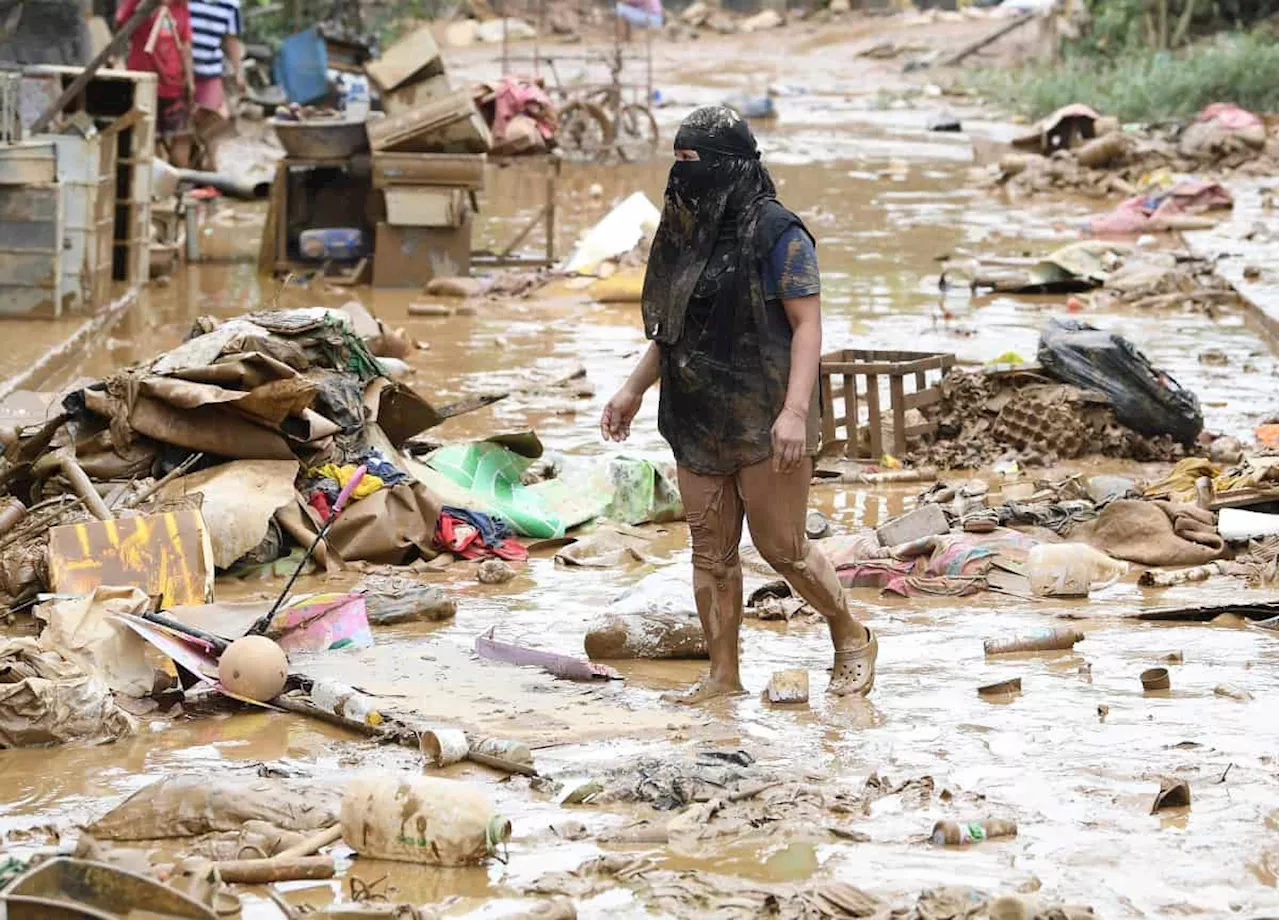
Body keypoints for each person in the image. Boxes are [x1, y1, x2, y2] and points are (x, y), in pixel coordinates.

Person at [600, 105, 877, 703]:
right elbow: (672, 332)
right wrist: (632, 388)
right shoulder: (683, 234)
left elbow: (807, 327)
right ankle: (724, 676)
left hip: (767, 412)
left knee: (784, 549)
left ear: (729, 165)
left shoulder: (781, 233)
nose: (683, 175)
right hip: (696, 413)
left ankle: (850, 634)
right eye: (676, 161)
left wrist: (796, 412)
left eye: (693, 162)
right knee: (712, 555)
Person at [117, 0, 194, 167]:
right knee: (145, 135)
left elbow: (186, 43)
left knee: (181, 135)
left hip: (174, 83)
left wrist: (190, 79)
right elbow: (121, 24)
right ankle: (149, 182)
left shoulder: (180, 5)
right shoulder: (137, 2)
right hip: (143, 81)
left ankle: (179, 181)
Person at [188, 0, 243, 118]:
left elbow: (232, 39)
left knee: (211, 120)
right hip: (179, 69)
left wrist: (238, 72)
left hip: (209, 69)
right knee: (180, 122)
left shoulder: (231, 4)